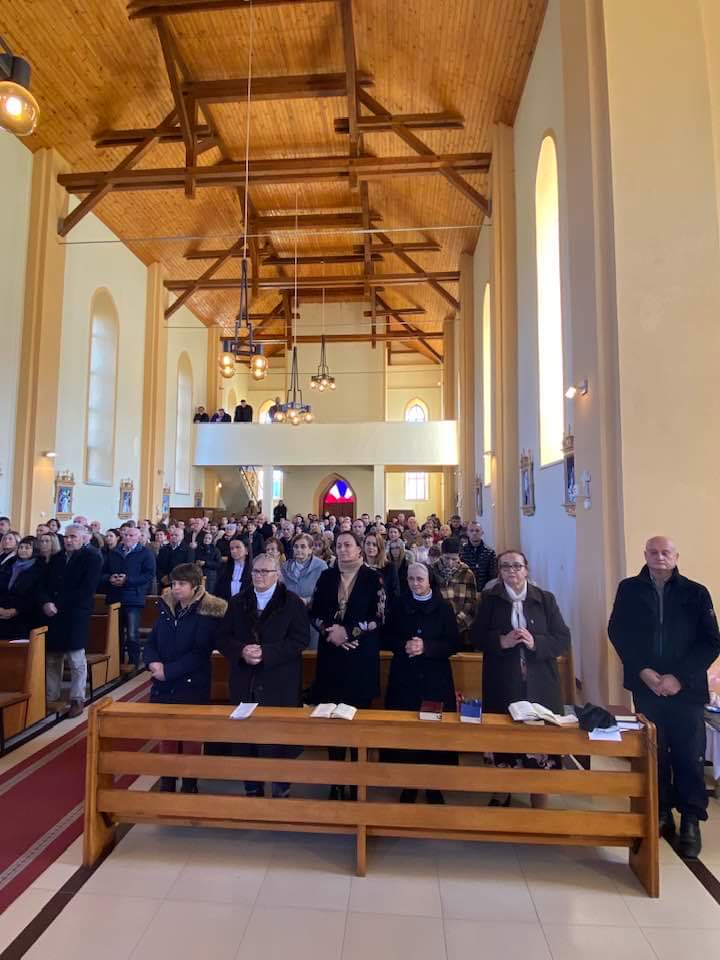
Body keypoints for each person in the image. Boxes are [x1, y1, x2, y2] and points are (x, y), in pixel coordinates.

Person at [608, 536, 720, 858]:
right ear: (645, 555)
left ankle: (691, 820)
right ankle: (660, 811)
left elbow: (711, 642)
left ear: (676, 556)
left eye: (665, 552)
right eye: (654, 552)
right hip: (647, 685)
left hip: (686, 690)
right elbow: (618, 632)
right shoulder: (629, 589)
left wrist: (678, 678)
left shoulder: (695, 592)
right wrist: (642, 670)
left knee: (688, 754)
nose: (659, 557)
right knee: (654, 752)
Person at [472, 549, 571, 807]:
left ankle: (539, 795)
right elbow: (476, 636)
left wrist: (535, 642)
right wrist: (501, 641)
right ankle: (502, 791)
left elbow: (562, 638)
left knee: (539, 740)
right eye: (505, 567)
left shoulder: (545, 599)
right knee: (504, 737)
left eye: (516, 566)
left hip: (540, 682)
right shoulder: (490, 599)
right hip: (503, 680)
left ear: (526, 569)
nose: (512, 571)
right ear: (500, 572)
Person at [217, 553, 310, 798]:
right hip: (245, 679)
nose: (259, 576)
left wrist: (266, 653)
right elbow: (223, 638)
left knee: (278, 735)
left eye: (265, 572)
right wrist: (241, 651)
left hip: (279, 680)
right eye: (256, 571)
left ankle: (281, 784)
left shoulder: (292, 603)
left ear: (277, 575)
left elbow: (300, 640)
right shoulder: (238, 602)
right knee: (246, 736)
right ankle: (252, 785)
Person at [310, 531, 384, 799]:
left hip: (360, 657)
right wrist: (331, 633)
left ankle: (356, 781)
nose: (342, 549)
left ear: (359, 549)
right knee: (332, 719)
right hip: (331, 655)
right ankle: (336, 780)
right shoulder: (326, 576)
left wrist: (350, 633)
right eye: (339, 545)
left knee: (356, 720)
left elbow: (379, 616)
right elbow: (314, 612)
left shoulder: (373, 578)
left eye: (347, 545)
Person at [144, 563, 227, 793]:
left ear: (195, 586)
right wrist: (152, 662)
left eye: (181, 584)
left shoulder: (207, 613)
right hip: (163, 685)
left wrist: (168, 671)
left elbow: (200, 653)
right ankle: (168, 782)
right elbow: (151, 642)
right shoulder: (166, 608)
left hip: (192, 684)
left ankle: (190, 784)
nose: (176, 588)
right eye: (174, 583)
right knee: (167, 735)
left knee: (191, 736)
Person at [385, 562, 460, 803]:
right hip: (404, 677)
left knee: (433, 732)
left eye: (419, 579)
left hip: (434, 679)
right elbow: (386, 636)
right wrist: (404, 645)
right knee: (406, 732)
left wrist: (427, 647)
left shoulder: (444, 607)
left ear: (429, 580)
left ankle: (433, 786)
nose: (415, 583)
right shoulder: (398, 605)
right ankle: (408, 784)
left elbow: (453, 643)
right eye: (411, 579)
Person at [38, 524, 103, 718]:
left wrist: (58, 604)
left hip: (76, 613)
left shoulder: (91, 557)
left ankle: (77, 699)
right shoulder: (57, 557)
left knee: (75, 658)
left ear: (83, 538)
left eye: (73, 537)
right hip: (53, 613)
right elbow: (43, 584)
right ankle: (51, 697)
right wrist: (46, 602)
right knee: (52, 657)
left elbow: (87, 589)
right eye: (66, 536)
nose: (68, 540)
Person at [101, 525, 156, 668]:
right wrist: (109, 578)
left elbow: (149, 575)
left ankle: (134, 663)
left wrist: (128, 580)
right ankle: (116, 664)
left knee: (132, 634)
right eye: (125, 535)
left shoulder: (145, 553)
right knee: (115, 634)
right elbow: (102, 572)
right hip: (115, 597)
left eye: (131, 535)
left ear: (138, 537)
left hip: (133, 598)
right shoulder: (114, 552)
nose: (128, 538)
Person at [281, 534, 327, 649]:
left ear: (310, 549)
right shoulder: (285, 567)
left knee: (312, 654)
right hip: (290, 620)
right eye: (296, 546)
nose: (299, 550)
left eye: (303, 546)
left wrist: (307, 601)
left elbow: (326, 595)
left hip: (312, 620)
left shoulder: (321, 566)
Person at [432, 538, 477, 648]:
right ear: (441, 555)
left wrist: (455, 622)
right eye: (447, 558)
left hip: (460, 628)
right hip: (435, 626)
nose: (450, 563)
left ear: (459, 557)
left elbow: (470, 604)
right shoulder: (432, 570)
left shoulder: (467, 573)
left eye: (454, 559)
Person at [0, 536, 45, 639]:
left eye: (27, 548)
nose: (23, 550)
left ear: (35, 550)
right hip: (2, 612)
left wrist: (16, 610)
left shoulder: (40, 568)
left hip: (24, 617)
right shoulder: (9, 564)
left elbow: (35, 594)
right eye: (21, 547)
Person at [362, 532, 400, 600]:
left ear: (379, 547)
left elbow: (394, 593)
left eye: (374, 545)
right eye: (368, 544)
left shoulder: (390, 567)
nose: (370, 547)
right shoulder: (359, 566)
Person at [461, 521, 498, 590]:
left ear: (482, 533)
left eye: (477, 531)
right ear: (467, 533)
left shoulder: (490, 552)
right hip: (467, 589)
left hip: (485, 589)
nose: (474, 533)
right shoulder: (461, 552)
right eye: (471, 531)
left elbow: (493, 575)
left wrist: (488, 589)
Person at [194, 530, 223, 594]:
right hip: (198, 574)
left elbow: (218, 564)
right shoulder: (197, 549)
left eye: (209, 538)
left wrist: (205, 563)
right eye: (205, 538)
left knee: (208, 594)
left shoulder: (216, 550)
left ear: (212, 540)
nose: (207, 539)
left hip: (210, 576)